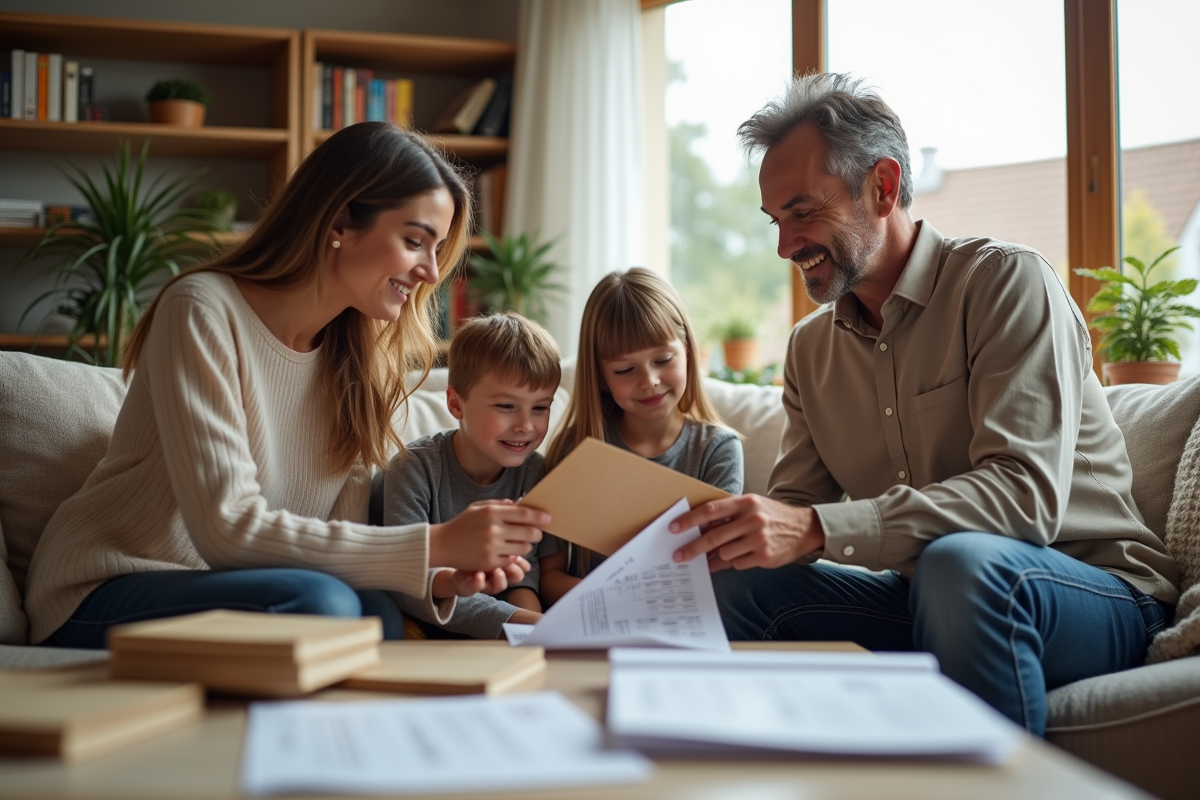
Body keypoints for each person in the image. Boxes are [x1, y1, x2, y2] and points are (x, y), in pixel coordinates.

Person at [667, 73, 1179, 735]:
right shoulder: (809, 351)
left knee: (959, 563)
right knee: (741, 586)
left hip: (1087, 593)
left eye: (802, 212)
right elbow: (796, 513)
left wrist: (820, 530)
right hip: (928, 597)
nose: (784, 246)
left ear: (882, 186)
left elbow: (1022, 500)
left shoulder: (1005, 284)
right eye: (775, 221)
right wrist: (722, 535)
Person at [25, 123, 547, 648]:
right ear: (340, 220)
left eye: (437, 251)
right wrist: (434, 544)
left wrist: (441, 579)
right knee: (321, 606)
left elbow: (343, 546)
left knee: (378, 618)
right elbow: (226, 529)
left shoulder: (359, 363)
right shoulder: (203, 309)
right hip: (111, 583)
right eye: (415, 241)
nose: (432, 274)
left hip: (247, 589)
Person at [539, 268, 743, 605]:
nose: (648, 381)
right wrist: (618, 600)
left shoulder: (718, 450)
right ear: (601, 377)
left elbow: (716, 573)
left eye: (663, 360)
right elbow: (548, 578)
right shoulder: (576, 451)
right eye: (624, 370)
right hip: (591, 621)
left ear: (689, 352)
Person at [384, 312, 560, 638]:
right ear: (455, 403)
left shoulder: (538, 473)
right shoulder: (413, 469)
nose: (526, 425)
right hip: (427, 629)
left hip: (507, 629)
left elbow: (525, 576)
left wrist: (536, 631)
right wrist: (523, 624)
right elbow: (407, 579)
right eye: (506, 406)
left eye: (540, 407)